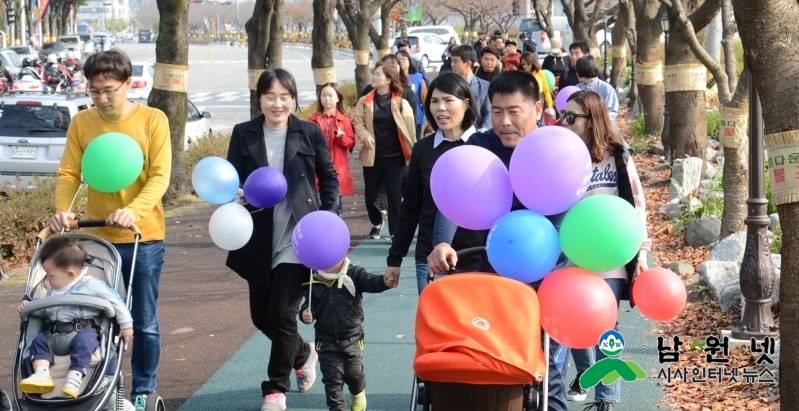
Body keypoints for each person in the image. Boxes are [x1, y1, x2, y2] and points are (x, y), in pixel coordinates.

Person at [426, 70, 570, 411]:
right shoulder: (479, 147)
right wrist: (442, 243)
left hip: (549, 273)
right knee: (498, 359)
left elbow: (566, 206)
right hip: (497, 271)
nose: (504, 122)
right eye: (497, 111)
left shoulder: (556, 148)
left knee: (547, 368)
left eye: (514, 111)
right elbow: (456, 197)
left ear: (536, 109)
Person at [49, 49, 171, 410]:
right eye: (94, 90)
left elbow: (160, 175)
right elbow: (70, 174)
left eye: (109, 90)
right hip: (97, 242)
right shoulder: (82, 123)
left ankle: (143, 389)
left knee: (143, 320)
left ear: (128, 84)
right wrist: (63, 212)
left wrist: (132, 211)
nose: (101, 98)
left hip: (142, 237)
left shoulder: (153, 120)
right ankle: (100, 383)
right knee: (95, 315)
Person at [226, 68, 340, 411]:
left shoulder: (308, 132)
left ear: (294, 98)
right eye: (270, 96)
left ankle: (275, 390)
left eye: (285, 96)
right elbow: (231, 176)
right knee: (261, 317)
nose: (278, 103)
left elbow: (329, 178)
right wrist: (237, 194)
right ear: (259, 98)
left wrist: (329, 217)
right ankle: (303, 353)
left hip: (299, 237)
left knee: (281, 316)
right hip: (256, 237)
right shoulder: (243, 132)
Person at [560, 90, 651, 411]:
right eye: (563, 115)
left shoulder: (617, 155)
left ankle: (607, 399)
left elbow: (636, 204)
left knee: (606, 325)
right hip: (571, 254)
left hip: (610, 256)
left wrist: (641, 251)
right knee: (572, 321)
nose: (565, 122)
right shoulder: (562, 155)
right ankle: (587, 371)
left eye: (572, 117)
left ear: (592, 119)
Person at [385, 73, 485, 295]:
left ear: (466, 103)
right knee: (436, 328)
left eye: (448, 100)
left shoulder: (484, 147)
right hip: (431, 258)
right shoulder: (423, 149)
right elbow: (410, 207)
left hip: (477, 257)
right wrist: (395, 258)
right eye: (434, 101)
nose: (440, 108)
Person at [17, 235, 133, 399]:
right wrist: (31, 308)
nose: (48, 281)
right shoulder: (53, 289)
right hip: (55, 332)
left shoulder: (91, 284)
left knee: (84, 344)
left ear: (70, 274)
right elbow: (47, 311)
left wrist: (126, 325)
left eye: (51, 276)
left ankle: (75, 375)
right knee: (38, 342)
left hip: (84, 329)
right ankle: (42, 374)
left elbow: (116, 302)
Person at [299, 255, 392, 411]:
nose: (328, 263)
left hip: (352, 337)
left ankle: (357, 394)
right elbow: (309, 305)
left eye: (332, 258)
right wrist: (306, 315)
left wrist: (385, 281)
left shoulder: (354, 274)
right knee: (332, 380)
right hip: (326, 340)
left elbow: (371, 282)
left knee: (354, 375)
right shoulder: (312, 281)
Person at [353, 61, 416, 240]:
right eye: (374, 73)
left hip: (395, 157)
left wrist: (414, 153)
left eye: (378, 74)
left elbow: (410, 131)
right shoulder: (364, 102)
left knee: (394, 195)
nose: (373, 76)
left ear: (388, 79)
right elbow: (357, 122)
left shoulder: (401, 103)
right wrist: (366, 137)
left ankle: (395, 232)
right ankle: (377, 221)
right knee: (371, 194)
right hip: (373, 155)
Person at [308, 83, 356, 216]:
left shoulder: (344, 120)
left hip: (336, 167)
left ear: (338, 98)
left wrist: (341, 137)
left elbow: (351, 143)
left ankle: (335, 233)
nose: (326, 99)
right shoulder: (312, 119)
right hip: (316, 165)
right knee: (315, 204)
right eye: (323, 95)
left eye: (330, 95)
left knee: (334, 204)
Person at [360, 54, 419, 126]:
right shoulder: (369, 90)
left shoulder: (407, 92)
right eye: (387, 65)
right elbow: (359, 118)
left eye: (394, 66)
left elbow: (412, 123)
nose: (391, 68)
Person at [449, 45, 491, 131]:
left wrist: (485, 129)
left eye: (456, 61)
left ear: (468, 64)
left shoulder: (485, 86)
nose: (452, 64)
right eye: (451, 61)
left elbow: (489, 112)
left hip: (477, 134)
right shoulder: (448, 85)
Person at [575, 56, 619, 121]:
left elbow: (612, 111)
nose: (576, 73)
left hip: (600, 126)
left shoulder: (606, 88)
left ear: (584, 69)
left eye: (578, 70)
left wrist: (597, 121)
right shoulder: (577, 88)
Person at [397, 50, 427, 140]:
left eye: (403, 59)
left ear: (409, 61)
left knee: (415, 142)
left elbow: (424, 98)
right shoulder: (393, 79)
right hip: (398, 118)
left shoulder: (418, 77)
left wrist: (429, 118)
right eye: (398, 59)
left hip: (416, 117)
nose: (401, 61)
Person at [519, 52, 555, 126]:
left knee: (539, 121)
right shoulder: (520, 74)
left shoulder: (540, 73)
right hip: (525, 99)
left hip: (539, 98)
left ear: (533, 62)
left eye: (528, 63)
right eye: (523, 64)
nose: (525, 66)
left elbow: (546, 90)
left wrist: (549, 104)